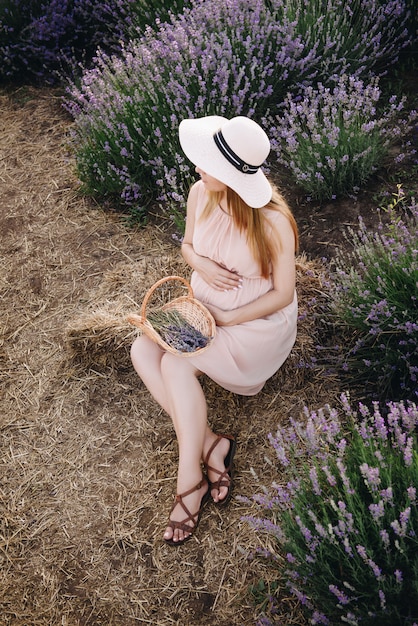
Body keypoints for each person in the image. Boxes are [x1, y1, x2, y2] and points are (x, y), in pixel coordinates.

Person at [131, 115, 298, 546]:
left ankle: (190, 483)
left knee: (175, 364)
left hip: (251, 325)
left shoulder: (273, 222)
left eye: (208, 164)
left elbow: (282, 294)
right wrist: (201, 264)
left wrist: (227, 320)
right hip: (204, 307)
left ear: (232, 175)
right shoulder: (199, 193)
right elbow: (187, 246)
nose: (198, 168)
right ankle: (210, 445)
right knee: (141, 350)